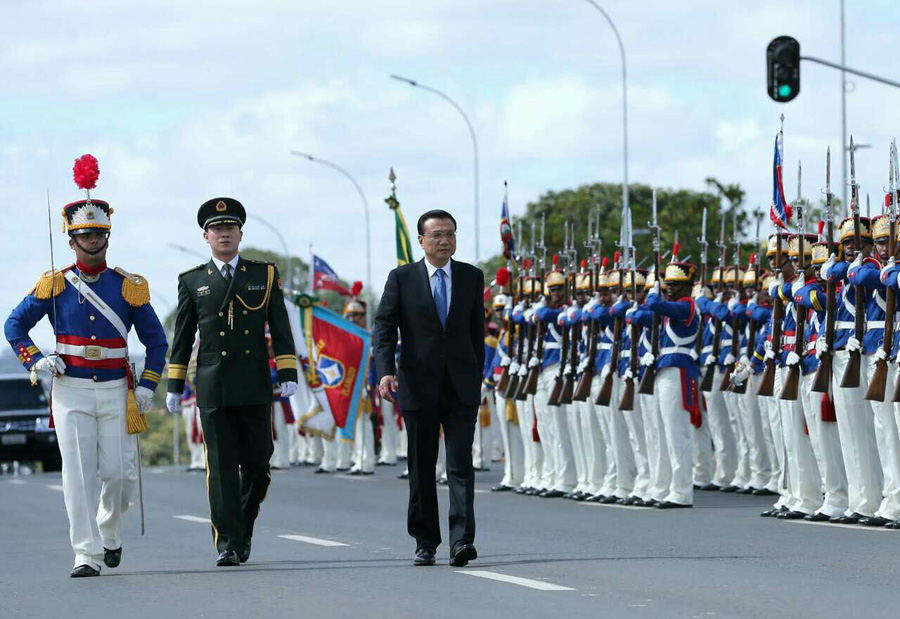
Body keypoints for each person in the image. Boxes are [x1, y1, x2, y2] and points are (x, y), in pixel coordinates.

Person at [5, 155, 168, 577]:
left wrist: (147, 385)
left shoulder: (128, 287)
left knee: (119, 477)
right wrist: (37, 359)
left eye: (98, 234)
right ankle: (86, 553)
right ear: (71, 240)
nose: (93, 241)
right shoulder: (54, 283)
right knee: (77, 476)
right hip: (71, 389)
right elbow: (14, 325)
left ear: (107, 237)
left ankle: (109, 529)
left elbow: (156, 342)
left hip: (116, 389)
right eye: (84, 236)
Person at [165, 197, 298, 567]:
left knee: (259, 466)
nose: (224, 234)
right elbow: (182, 338)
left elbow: (281, 328)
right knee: (222, 470)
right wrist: (175, 384)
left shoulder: (264, 275)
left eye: (230, 228)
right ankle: (227, 542)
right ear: (205, 237)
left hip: (254, 382)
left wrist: (287, 371)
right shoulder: (192, 281)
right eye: (217, 229)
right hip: (214, 385)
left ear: (240, 234)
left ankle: (242, 526)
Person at [373, 209, 484, 568]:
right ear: (421, 240)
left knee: (461, 465)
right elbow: (384, 327)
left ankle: (461, 541)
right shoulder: (402, 278)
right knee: (421, 467)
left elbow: (477, 332)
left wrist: (476, 377)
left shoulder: (471, 276)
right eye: (437, 235)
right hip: (418, 385)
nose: (444, 241)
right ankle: (425, 541)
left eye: (450, 234)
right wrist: (385, 372)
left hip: (461, 387)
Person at [634, 247, 701, 508]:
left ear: (688, 287)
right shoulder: (671, 310)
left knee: (676, 433)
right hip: (664, 370)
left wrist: (654, 288)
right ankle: (662, 487)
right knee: (661, 434)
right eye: (668, 284)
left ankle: (682, 491)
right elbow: (642, 315)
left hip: (678, 371)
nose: (670, 288)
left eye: (675, 284)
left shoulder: (686, 307)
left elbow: (654, 304)